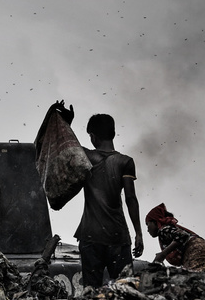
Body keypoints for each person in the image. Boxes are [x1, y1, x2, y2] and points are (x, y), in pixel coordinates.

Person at [60, 104, 144, 287]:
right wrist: (138, 233)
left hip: (90, 236)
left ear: (93, 136)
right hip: (117, 237)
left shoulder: (87, 157)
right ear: (113, 133)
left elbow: (66, 144)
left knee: (92, 291)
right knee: (125, 289)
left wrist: (67, 123)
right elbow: (131, 199)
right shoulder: (125, 162)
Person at [145, 203, 205, 281]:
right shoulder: (171, 228)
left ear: (155, 221)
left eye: (148, 224)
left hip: (195, 252)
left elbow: (182, 235)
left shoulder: (163, 230)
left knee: (198, 280)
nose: (147, 230)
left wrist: (163, 254)